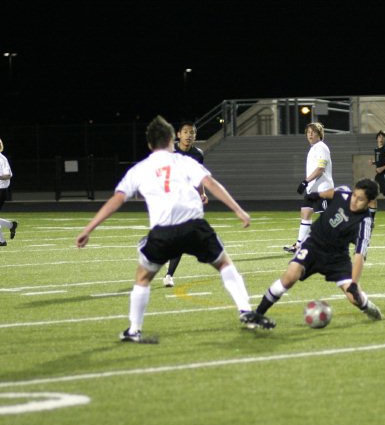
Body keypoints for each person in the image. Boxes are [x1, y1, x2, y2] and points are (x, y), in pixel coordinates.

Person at [76, 115, 274, 344]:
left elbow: (117, 200)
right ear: (172, 139)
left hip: (163, 233)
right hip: (194, 226)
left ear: (150, 144)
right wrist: (238, 211)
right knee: (224, 264)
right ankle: (245, 311)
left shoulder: (139, 169)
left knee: (142, 278)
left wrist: (89, 228)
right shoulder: (185, 161)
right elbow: (210, 184)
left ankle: (134, 330)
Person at [255, 179, 383, 324]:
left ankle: (370, 308)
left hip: (336, 257)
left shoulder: (364, 223)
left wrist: (354, 283)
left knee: (355, 298)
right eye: (354, 195)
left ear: (370, 202)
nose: (354, 200)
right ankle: (257, 315)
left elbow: (360, 255)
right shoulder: (343, 195)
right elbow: (332, 193)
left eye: (360, 199)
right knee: (289, 277)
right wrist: (318, 195)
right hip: (313, 245)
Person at [162, 121, 208, 288]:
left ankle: (169, 275)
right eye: (186, 132)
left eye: (192, 132)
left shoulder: (198, 154)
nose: (189, 135)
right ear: (178, 134)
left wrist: (202, 193)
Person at [283, 122, 333, 253]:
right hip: (312, 189)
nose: (310, 134)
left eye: (313, 132)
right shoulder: (314, 148)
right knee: (305, 214)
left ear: (319, 134)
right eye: (308, 132)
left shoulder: (321, 147)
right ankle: (300, 246)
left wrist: (305, 181)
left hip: (323, 189)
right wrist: (307, 184)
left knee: (326, 219)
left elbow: (321, 168)